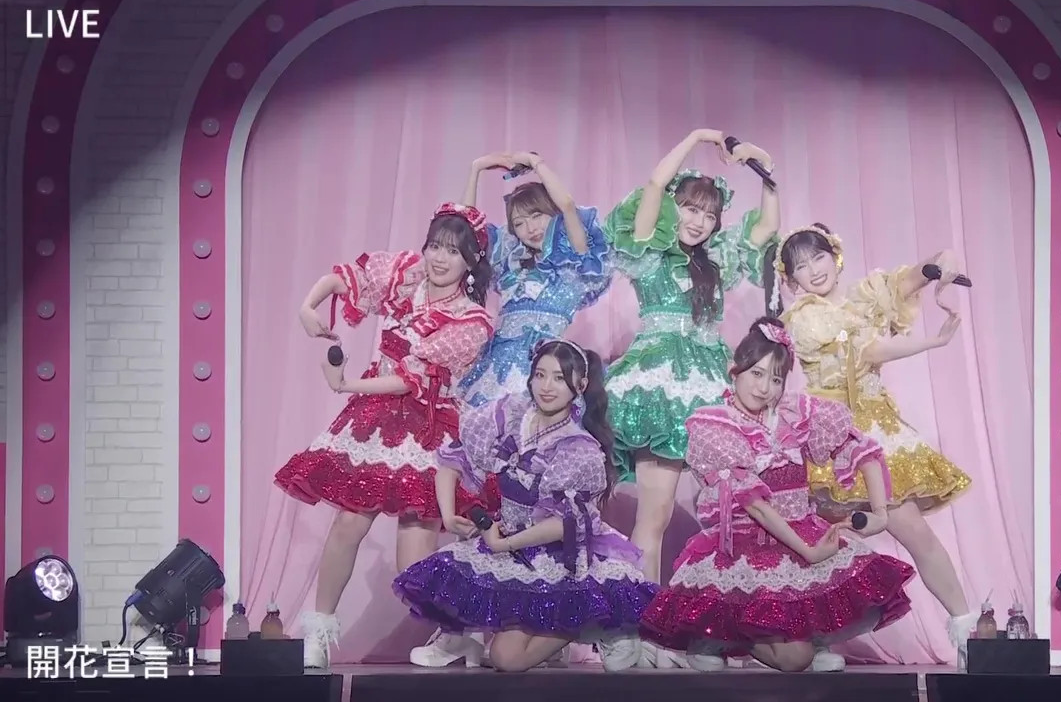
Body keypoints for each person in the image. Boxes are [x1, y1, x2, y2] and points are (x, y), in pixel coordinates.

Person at [274, 203, 496, 668]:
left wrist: (346, 385)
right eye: (435, 246)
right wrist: (307, 306)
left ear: (471, 261)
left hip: (428, 426)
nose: (439, 258)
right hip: (375, 418)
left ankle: (459, 632)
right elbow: (345, 279)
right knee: (349, 522)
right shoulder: (406, 275)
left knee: (412, 562)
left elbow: (411, 380)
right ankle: (318, 633)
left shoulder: (472, 321)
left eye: (453, 252)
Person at [640, 318, 915, 672]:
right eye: (756, 373)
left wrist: (880, 512)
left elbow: (861, 448)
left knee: (865, 589)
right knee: (794, 658)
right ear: (734, 369)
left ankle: (808, 641)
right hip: (747, 545)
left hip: (801, 531)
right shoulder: (715, 424)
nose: (765, 388)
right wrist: (809, 552)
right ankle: (717, 637)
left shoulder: (793, 413)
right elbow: (755, 506)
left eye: (775, 379)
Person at [775, 224, 976, 665]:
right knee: (818, 543)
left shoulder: (862, 297)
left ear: (835, 257)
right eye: (801, 266)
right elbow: (867, 352)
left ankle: (968, 631)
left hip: (875, 428)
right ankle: (814, 643)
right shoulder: (806, 317)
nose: (814, 270)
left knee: (916, 533)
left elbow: (907, 281)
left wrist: (940, 262)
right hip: (829, 436)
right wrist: (933, 341)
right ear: (791, 279)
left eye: (818, 257)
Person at [394, 339, 657, 672]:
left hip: (558, 554)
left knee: (505, 659)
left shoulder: (578, 446)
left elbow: (564, 523)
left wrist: (505, 544)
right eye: (540, 375)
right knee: (447, 576)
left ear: (580, 385)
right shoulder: (510, 413)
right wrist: (449, 515)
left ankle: (594, 621)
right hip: (509, 540)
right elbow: (453, 459)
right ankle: (461, 638)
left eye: (559, 378)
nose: (546, 386)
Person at [603, 128, 780, 594]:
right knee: (655, 516)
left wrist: (765, 170)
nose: (699, 221)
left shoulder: (716, 261)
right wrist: (698, 136)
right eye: (690, 208)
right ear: (672, 209)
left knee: (734, 516)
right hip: (660, 385)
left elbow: (765, 228)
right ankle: (640, 618)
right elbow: (655, 184)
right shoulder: (650, 254)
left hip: (712, 385)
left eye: (709, 214)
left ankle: (726, 615)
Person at [457, 152, 612, 408]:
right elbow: (463, 230)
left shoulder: (573, 262)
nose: (531, 228)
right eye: (519, 223)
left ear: (553, 214)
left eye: (537, 215)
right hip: (492, 370)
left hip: (542, 372)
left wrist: (535, 162)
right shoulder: (509, 263)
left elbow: (567, 205)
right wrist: (477, 168)